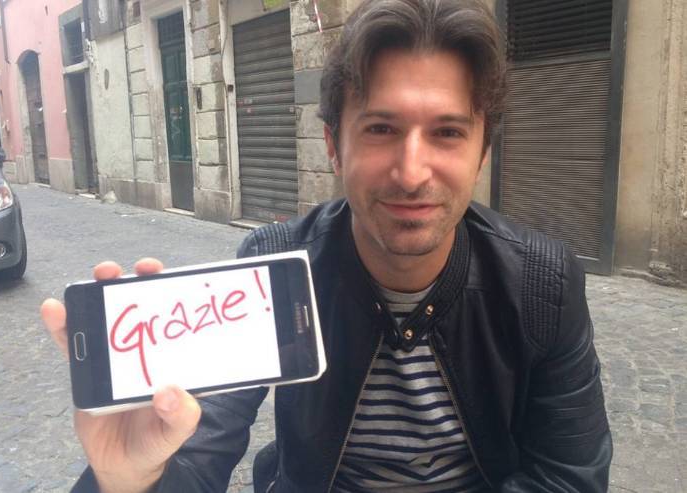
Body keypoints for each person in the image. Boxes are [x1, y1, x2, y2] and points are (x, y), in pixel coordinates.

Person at [41, 0, 612, 491]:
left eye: (447, 132)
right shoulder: (277, 266)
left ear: (482, 153)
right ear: (334, 146)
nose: (412, 172)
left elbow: (568, 476)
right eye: (381, 129)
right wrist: (130, 478)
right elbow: (201, 447)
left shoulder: (542, 282)